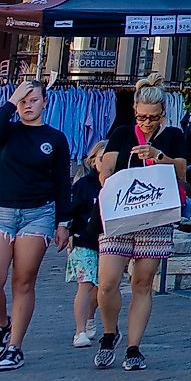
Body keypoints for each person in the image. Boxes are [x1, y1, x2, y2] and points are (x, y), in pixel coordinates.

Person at [95, 82, 189, 371]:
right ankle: (110, 332)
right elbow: (106, 170)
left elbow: (183, 172)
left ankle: (134, 346)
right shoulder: (122, 133)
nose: (146, 123)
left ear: (163, 113)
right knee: (108, 280)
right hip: (122, 213)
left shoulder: (173, 135)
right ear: (134, 110)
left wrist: (158, 156)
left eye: (153, 117)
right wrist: (108, 180)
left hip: (155, 216)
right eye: (142, 117)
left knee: (142, 281)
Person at [0, 80, 72, 371]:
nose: (28, 105)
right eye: (23, 100)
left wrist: (63, 222)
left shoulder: (55, 139)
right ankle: (1, 323)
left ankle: (15, 345)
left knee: (23, 280)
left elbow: (61, 182)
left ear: (45, 101)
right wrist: (10, 101)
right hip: (2, 212)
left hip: (38, 214)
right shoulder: (8, 130)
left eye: (34, 100)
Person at [67, 141, 116, 348]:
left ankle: (90, 318)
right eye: (100, 159)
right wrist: (69, 233)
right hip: (84, 241)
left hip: (108, 243)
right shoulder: (83, 185)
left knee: (101, 288)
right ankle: (79, 331)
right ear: (93, 161)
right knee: (85, 285)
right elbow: (71, 211)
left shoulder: (116, 184)